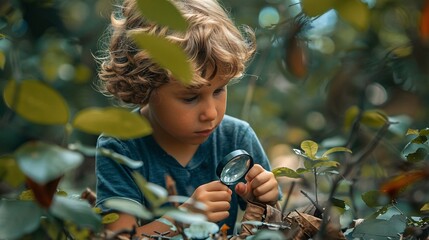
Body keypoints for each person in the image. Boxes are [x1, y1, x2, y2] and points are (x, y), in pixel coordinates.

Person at [94, 0, 280, 238]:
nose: (211, 114)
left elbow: (278, 225)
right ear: (144, 86)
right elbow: (118, 236)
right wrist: (181, 220)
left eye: (218, 90)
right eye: (190, 98)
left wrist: (264, 202)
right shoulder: (120, 146)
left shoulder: (237, 137)